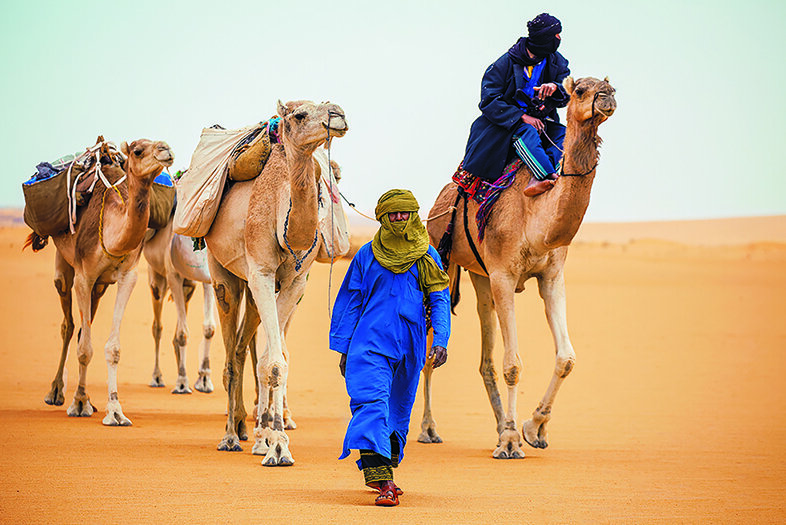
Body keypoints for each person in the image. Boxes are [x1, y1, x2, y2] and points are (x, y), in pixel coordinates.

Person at [329, 189, 451, 507]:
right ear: (382, 217)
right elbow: (350, 302)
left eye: (404, 214)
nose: (398, 219)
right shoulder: (367, 255)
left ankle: (384, 468)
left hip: (410, 348)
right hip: (368, 346)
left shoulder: (428, 256)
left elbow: (439, 299)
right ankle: (384, 483)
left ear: (413, 216)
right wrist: (344, 347)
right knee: (372, 406)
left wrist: (440, 341)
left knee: (396, 411)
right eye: (392, 214)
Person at [462, 13, 570, 197]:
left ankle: (548, 166)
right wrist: (522, 117)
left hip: (541, 120)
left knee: (565, 134)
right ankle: (543, 176)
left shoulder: (556, 61)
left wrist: (555, 88)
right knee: (526, 133)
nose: (559, 39)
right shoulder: (504, 63)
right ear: (544, 39)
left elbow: (566, 90)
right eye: (555, 35)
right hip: (506, 124)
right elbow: (488, 99)